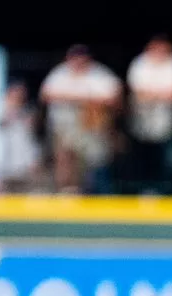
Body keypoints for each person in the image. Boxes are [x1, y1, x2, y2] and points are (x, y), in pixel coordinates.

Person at [40, 44, 122, 193]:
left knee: (93, 164)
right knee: (65, 161)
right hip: (63, 128)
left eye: (81, 57)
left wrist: (82, 101)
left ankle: (93, 193)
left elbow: (114, 97)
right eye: (75, 57)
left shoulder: (99, 74)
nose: (78, 61)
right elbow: (45, 94)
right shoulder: (60, 73)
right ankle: (65, 192)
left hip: (91, 130)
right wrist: (80, 99)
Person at [125, 35, 172, 193]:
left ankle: (164, 190)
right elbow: (136, 93)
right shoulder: (139, 63)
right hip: (141, 120)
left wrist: (153, 95)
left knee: (167, 159)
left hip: (169, 120)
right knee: (141, 157)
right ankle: (140, 189)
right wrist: (162, 95)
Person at [0, 82, 45, 192]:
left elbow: (30, 142)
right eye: (15, 95)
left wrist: (34, 159)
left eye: (20, 96)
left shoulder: (26, 116)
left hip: (23, 170)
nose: (17, 98)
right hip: (3, 169)